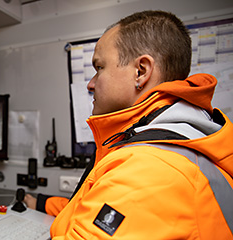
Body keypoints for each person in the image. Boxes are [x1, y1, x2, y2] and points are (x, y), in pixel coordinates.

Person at [27, 10, 233, 239]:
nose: (90, 84)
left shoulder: (150, 167)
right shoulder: (178, 139)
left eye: (99, 68)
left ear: (141, 71)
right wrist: (42, 203)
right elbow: (97, 208)